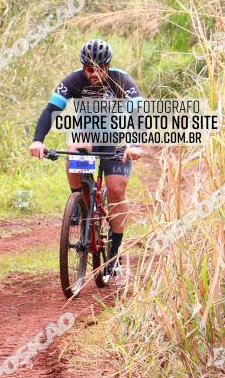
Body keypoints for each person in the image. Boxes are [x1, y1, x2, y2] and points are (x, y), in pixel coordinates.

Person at [28, 39, 144, 276]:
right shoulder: (73, 81)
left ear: (107, 66)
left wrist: (135, 144)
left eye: (99, 68)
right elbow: (51, 110)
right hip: (87, 136)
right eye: (89, 69)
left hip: (115, 139)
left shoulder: (121, 80)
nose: (94, 73)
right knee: (75, 145)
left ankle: (114, 251)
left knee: (116, 189)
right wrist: (38, 140)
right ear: (84, 67)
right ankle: (80, 201)